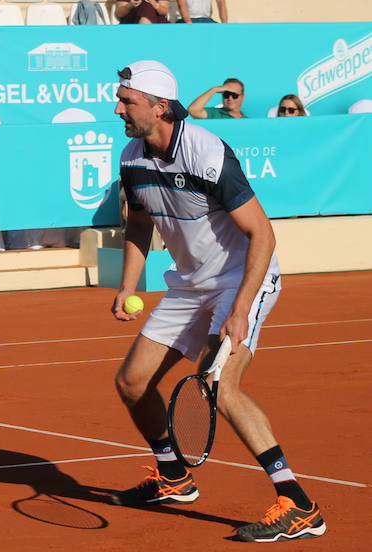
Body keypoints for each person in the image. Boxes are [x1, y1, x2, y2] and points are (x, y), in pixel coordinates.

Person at [109, 60, 326, 543]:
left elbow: (262, 234)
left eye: (127, 100)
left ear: (159, 106)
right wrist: (128, 285)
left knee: (218, 385)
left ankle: (299, 503)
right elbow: (140, 224)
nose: (118, 106)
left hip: (241, 277)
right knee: (132, 382)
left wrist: (241, 308)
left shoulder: (206, 153)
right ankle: (173, 476)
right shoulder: (131, 156)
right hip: (188, 283)